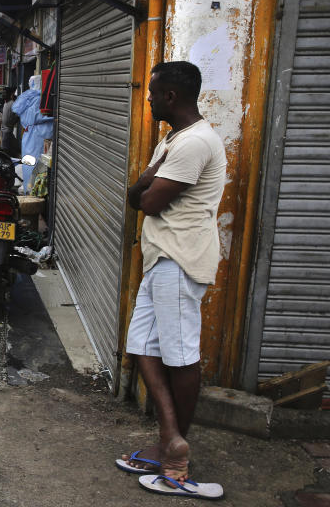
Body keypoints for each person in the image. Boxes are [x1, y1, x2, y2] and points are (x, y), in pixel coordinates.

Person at [119, 61, 226, 493]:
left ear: (170, 97)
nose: (147, 99)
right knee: (141, 344)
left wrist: (145, 182)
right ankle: (170, 439)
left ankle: (177, 451)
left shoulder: (193, 143)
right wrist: (143, 184)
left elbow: (149, 202)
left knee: (180, 354)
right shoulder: (173, 138)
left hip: (180, 260)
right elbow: (136, 195)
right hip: (163, 257)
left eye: (152, 93)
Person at [0, 93, 21, 157]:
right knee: (8, 145)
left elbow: (17, 115)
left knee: (6, 147)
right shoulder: (6, 103)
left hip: (8, 128)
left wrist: (13, 122)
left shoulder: (12, 103)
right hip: (5, 128)